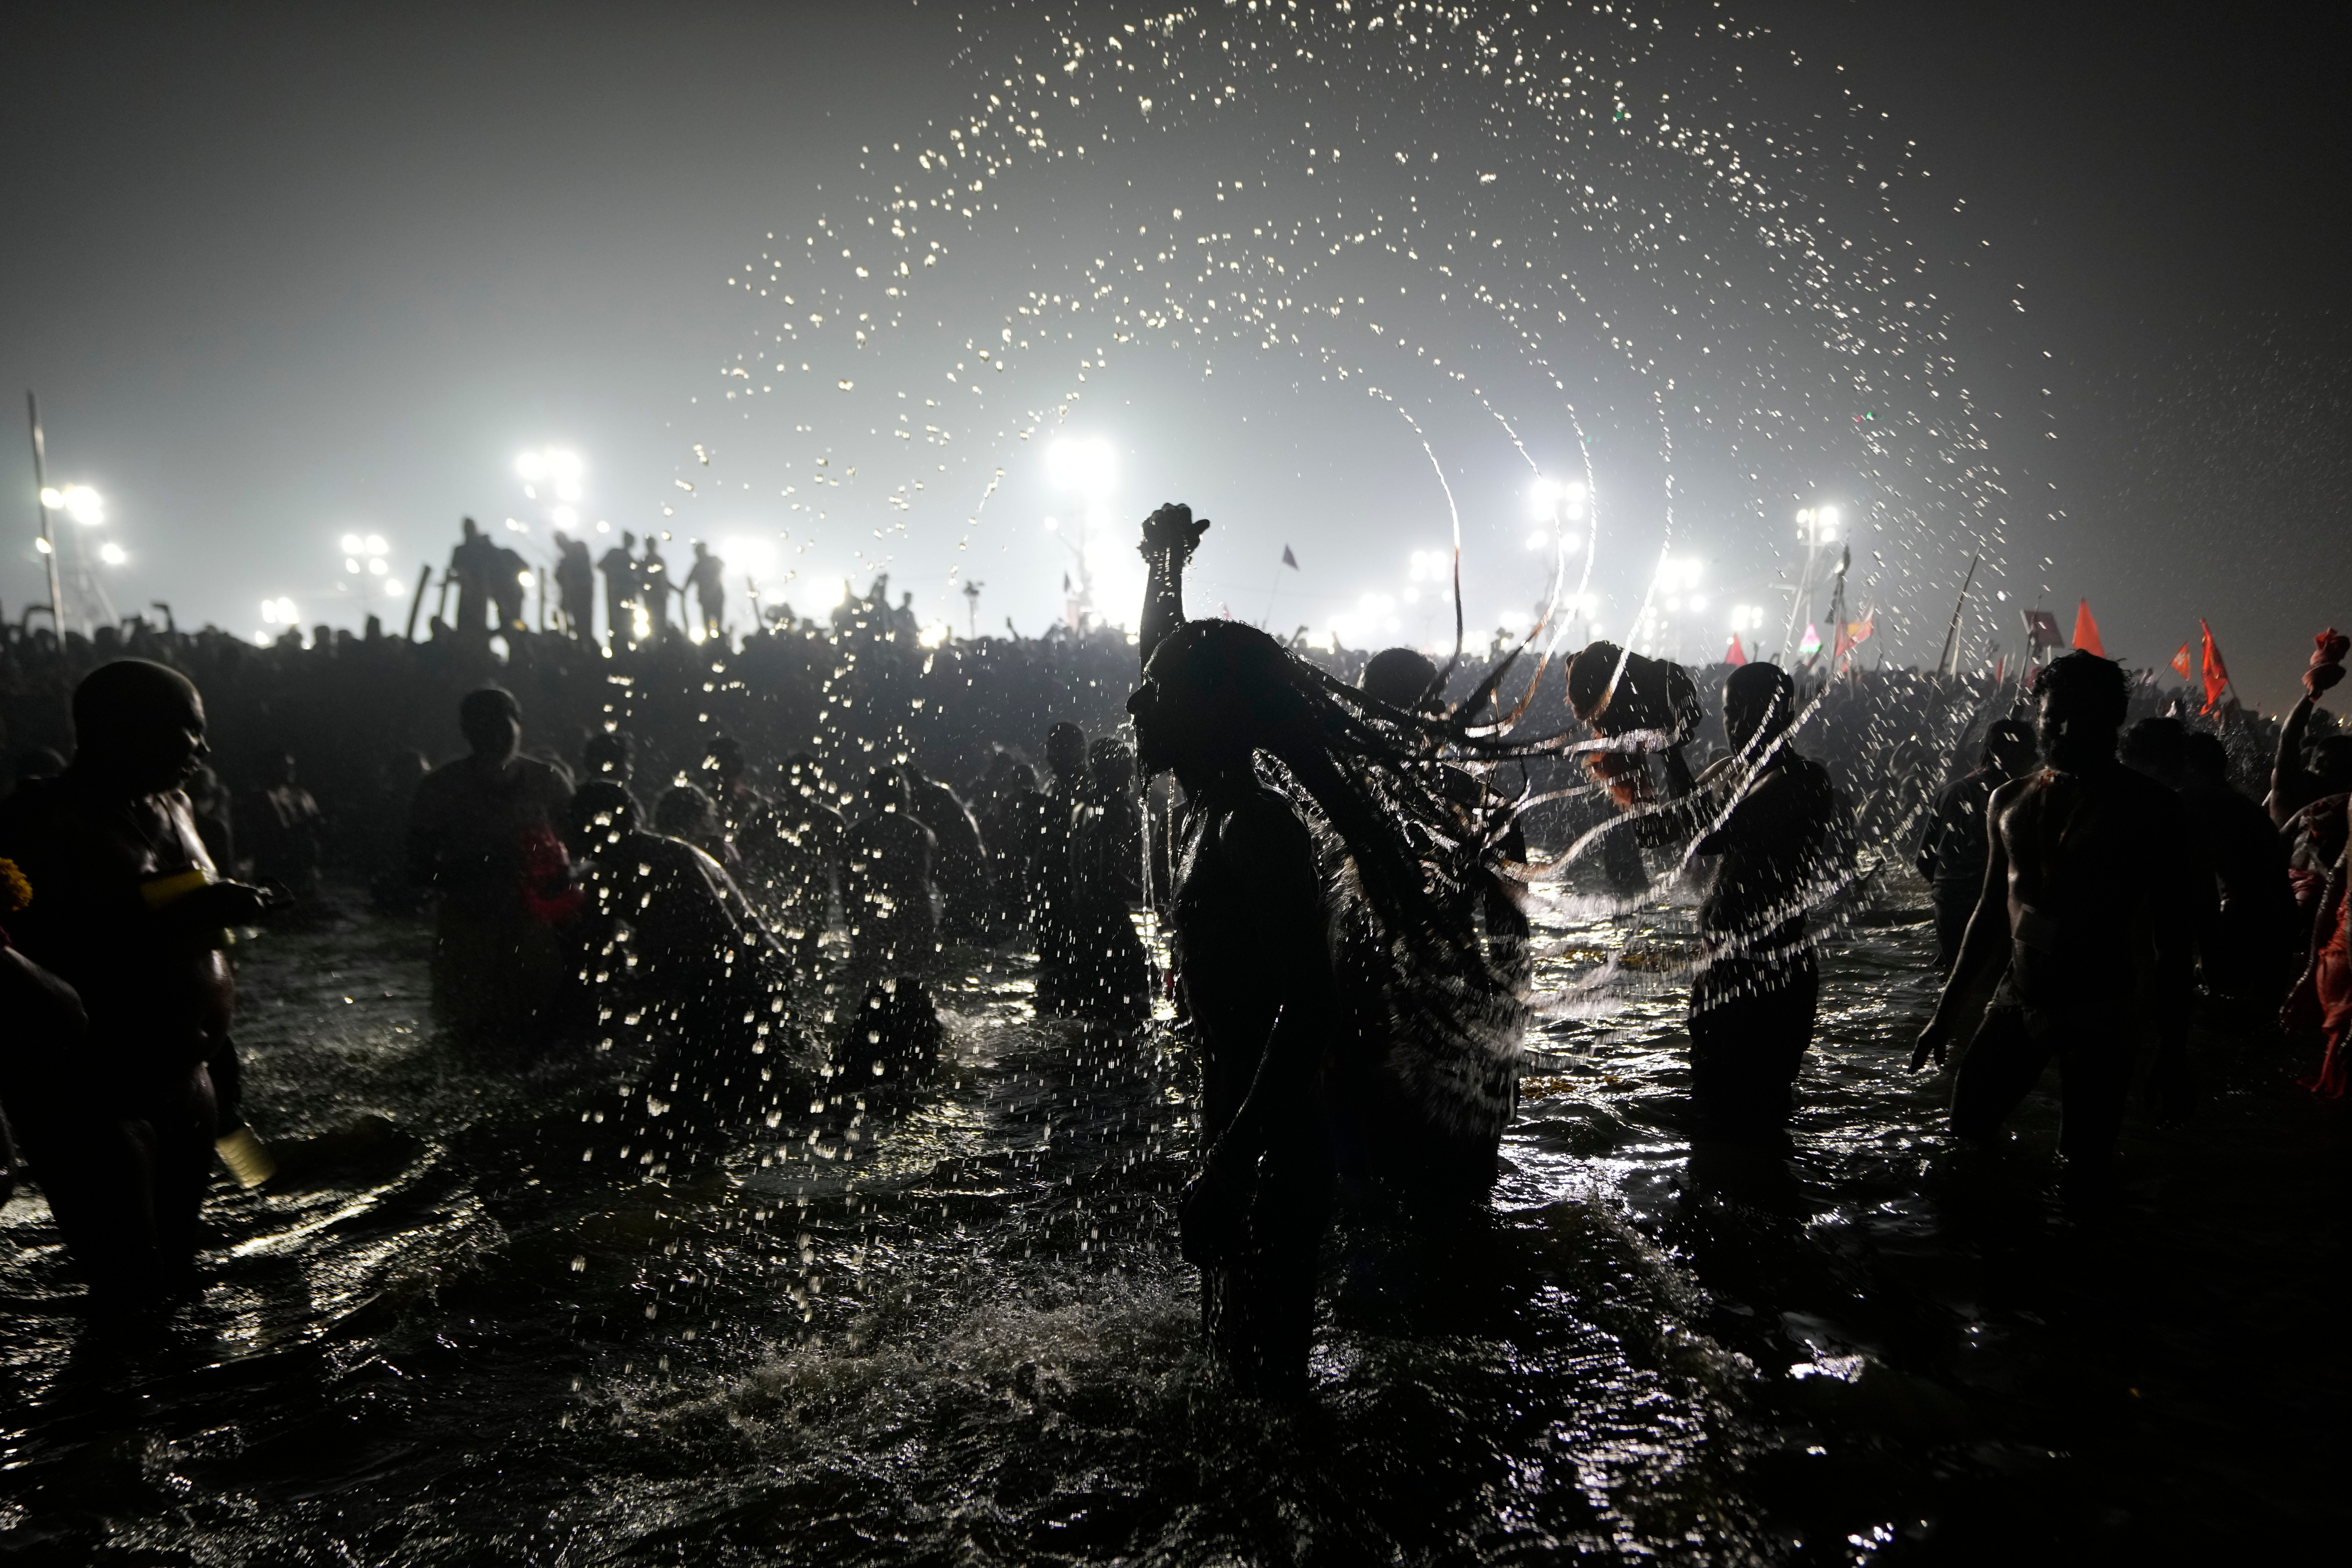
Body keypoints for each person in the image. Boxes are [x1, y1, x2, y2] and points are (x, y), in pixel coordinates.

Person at [1132, 503, 1521, 1396]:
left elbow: (1308, 1005)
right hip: (1249, 1138)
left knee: (1266, 1410)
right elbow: (1170, 667)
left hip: (1268, 1155)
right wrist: (1162, 571)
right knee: (1239, 1392)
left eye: (1158, 690)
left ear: (1211, 714)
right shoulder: (1219, 805)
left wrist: (1230, 1168)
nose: (1135, 698)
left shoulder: (1256, 830)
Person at [0, 660, 286, 1312]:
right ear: (122, 731)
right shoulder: (39, 821)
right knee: (130, 1288)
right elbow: (26, 957)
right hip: (97, 1089)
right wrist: (186, 914)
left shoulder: (179, 804)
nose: (205, 750)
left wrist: (221, 1047)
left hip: (192, 1075)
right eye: (190, 731)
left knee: (182, 1277)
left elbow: (189, 939)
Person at [1913, 652, 2197, 1186]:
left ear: (2113, 720)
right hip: (2017, 997)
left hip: (2102, 1007)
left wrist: (2173, 1052)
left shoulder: (2149, 808)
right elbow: (1990, 912)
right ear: (2039, 716)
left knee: (2084, 1165)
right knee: (1967, 1135)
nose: (2064, 729)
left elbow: (2175, 938)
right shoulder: (2009, 800)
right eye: (2052, 716)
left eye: (2083, 717)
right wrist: (1946, 1013)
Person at [1643, 663, 1843, 1144]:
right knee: (1712, 1106)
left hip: (1771, 974)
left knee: (1757, 1116)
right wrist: (1636, 750)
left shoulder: (1801, 779)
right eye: (1731, 713)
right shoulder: (1730, 772)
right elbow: (1657, 831)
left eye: (1750, 712)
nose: (1737, 725)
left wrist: (1672, 748)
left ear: (1781, 712)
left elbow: (1711, 837)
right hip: (1720, 967)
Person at [405, 688, 576, 1052]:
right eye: (483, 728)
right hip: (468, 929)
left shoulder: (549, 782)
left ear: (519, 725)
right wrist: (482, 869)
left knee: (537, 1037)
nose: (496, 737)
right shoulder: (440, 788)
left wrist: (558, 878)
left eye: (503, 726)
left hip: (535, 927)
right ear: (466, 732)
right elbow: (416, 871)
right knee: (465, 1040)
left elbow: (583, 854)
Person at [2179, 730, 2298, 1006]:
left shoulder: (2191, 801)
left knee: (2223, 1010)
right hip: (2282, 923)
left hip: (2242, 926)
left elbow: (2204, 888)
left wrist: (2210, 955)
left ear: (2188, 765)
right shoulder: (2247, 806)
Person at [1916, 719, 2038, 972]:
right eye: (2027, 752)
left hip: (1950, 905)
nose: (2035, 758)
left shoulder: (1951, 791)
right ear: (2002, 754)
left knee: (1958, 981)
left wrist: (1951, 893)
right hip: (1997, 910)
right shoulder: (2021, 796)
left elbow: (1924, 860)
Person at [1065, 738, 1150, 1022]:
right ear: (1115, 770)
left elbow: (1083, 871)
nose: (1132, 774)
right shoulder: (1117, 809)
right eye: (1128, 766)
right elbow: (1107, 876)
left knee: (1093, 1009)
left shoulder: (1082, 807)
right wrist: (1154, 897)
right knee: (1135, 1002)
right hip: (1109, 920)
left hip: (1081, 920)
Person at [739, 754, 846, 970]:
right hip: (811, 899)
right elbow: (850, 874)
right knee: (807, 960)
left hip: (778, 898)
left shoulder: (767, 817)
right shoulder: (829, 819)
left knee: (776, 957)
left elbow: (738, 858)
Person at [1022, 723, 1091, 1013]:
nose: (1050, 755)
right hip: (1050, 891)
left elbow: (1084, 839)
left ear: (1076, 751)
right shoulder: (1055, 785)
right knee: (1051, 966)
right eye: (1049, 748)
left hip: (1070, 893)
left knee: (1067, 969)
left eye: (1056, 748)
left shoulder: (1087, 786)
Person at [841, 765, 937, 970]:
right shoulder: (921, 832)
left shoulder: (856, 833)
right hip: (914, 923)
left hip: (874, 925)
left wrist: (859, 940)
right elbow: (923, 885)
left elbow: (848, 892)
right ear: (905, 796)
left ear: (871, 796)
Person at [906, 764, 995, 941]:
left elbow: (939, 835)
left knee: (960, 914)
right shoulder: (939, 792)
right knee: (964, 911)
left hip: (959, 857)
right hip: (968, 857)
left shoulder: (927, 797)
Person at [241, 751, 328, 902]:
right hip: (279, 864)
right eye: (284, 767)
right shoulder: (262, 798)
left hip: (305, 864)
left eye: (291, 767)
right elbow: (273, 835)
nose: (290, 771)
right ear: (272, 769)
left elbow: (317, 827)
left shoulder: (302, 795)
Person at [598, 531, 641, 651]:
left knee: (628, 622)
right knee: (616, 621)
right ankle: (617, 650)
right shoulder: (616, 553)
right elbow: (601, 565)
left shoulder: (631, 560)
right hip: (616, 594)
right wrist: (614, 575)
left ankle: (625, 649)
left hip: (628, 597)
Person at [553, 530, 597, 644]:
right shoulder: (565, 559)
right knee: (577, 620)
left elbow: (582, 567)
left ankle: (586, 643)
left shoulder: (578, 547)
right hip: (574, 593)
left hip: (583, 590)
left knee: (585, 620)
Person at [687, 542, 727, 641]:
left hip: (716, 595)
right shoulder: (698, 566)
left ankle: (719, 640)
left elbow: (721, 568)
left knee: (718, 620)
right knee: (707, 622)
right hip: (706, 598)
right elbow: (689, 581)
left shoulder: (713, 560)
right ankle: (710, 641)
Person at [639, 537, 675, 643]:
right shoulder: (644, 561)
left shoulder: (658, 560)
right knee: (653, 621)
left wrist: (677, 590)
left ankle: (660, 644)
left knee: (660, 621)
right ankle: (655, 645)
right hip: (652, 596)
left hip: (660, 596)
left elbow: (665, 580)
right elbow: (641, 580)